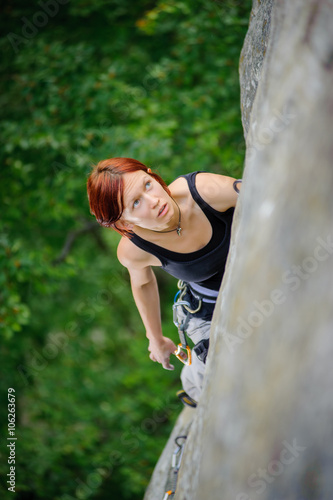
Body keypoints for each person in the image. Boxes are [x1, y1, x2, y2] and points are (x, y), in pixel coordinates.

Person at [87, 157, 241, 406]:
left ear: (153, 176)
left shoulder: (204, 191)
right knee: (218, 372)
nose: (154, 201)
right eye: (136, 203)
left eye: (147, 185)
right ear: (124, 222)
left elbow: (265, 191)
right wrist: (155, 339)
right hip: (209, 310)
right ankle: (192, 382)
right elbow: (143, 284)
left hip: (251, 275)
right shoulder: (134, 250)